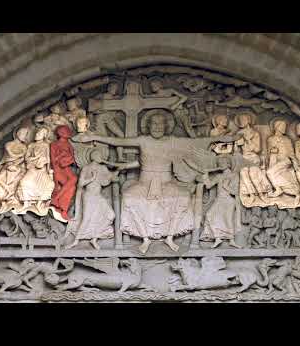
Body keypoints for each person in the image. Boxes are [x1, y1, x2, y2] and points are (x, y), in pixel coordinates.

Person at [72, 109, 239, 254]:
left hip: (166, 183)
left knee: (182, 199)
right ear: (148, 126)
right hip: (144, 183)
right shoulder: (143, 140)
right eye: (154, 124)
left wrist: (223, 139)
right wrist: (94, 137)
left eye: (161, 124)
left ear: (166, 126)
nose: (157, 127)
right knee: (130, 198)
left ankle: (170, 237)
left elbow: (196, 142)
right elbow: (119, 141)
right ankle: (144, 238)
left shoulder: (172, 141)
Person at [200, 156, 240, 249]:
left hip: (229, 200)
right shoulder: (219, 176)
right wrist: (206, 174)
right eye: (219, 163)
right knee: (209, 215)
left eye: (223, 163)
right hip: (219, 199)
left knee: (228, 219)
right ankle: (217, 238)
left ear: (228, 164)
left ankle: (232, 240)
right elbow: (209, 186)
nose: (220, 165)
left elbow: (235, 192)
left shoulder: (234, 175)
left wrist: (226, 187)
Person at [234, 113, 272, 205]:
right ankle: (251, 194)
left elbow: (257, 149)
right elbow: (236, 151)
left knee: (252, 171)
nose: (241, 122)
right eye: (240, 121)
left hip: (253, 157)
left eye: (243, 119)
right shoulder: (238, 134)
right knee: (243, 172)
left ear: (248, 121)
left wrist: (248, 140)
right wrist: (236, 144)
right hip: (243, 158)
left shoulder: (255, 133)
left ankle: (261, 194)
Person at [17, 127, 55, 216]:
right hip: (33, 168)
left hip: (42, 170)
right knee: (23, 182)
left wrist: (48, 169)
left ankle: (39, 203)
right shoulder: (31, 145)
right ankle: (26, 203)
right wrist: (35, 159)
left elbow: (48, 159)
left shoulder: (46, 145)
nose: (37, 134)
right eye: (37, 133)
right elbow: (26, 158)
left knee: (50, 184)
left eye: (39, 134)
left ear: (44, 136)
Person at [0, 127, 29, 214]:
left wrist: (16, 164)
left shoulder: (24, 147)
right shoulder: (8, 144)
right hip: (7, 166)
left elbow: (23, 157)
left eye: (27, 135)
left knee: (18, 180)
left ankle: (11, 199)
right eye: (24, 134)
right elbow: (11, 154)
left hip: (17, 168)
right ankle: (2, 201)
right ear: (18, 134)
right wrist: (13, 162)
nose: (25, 136)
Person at [266, 119, 300, 206]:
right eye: (283, 126)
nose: (285, 128)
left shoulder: (287, 139)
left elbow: (291, 153)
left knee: (269, 172)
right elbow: (269, 152)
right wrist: (273, 151)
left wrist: (295, 162)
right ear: (277, 127)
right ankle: (291, 191)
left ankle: (278, 189)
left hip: (285, 161)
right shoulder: (271, 139)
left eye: (285, 126)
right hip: (274, 161)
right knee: (272, 172)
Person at [50, 125, 77, 221]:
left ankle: (58, 201)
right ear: (61, 133)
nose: (68, 133)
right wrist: (61, 156)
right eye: (65, 131)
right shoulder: (54, 144)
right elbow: (53, 161)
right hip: (58, 169)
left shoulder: (69, 145)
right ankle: (63, 210)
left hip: (67, 168)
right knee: (73, 183)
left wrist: (68, 159)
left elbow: (73, 158)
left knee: (73, 184)